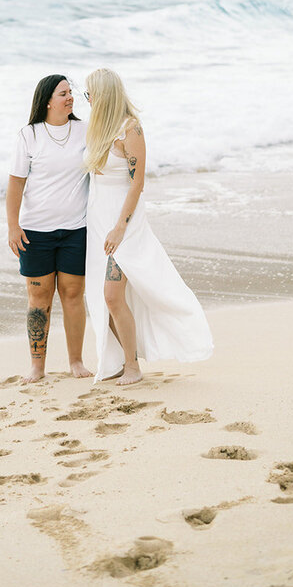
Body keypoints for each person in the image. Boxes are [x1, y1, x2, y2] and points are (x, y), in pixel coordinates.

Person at [83, 68, 213, 386]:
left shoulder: (131, 130)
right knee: (102, 298)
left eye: (90, 94)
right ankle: (117, 359)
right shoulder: (98, 128)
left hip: (124, 226)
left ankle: (133, 366)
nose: (87, 101)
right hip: (99, 224)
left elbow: (137, 183)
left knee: (113, 296)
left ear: (104, 95)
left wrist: (120, 228)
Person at [7, 74, 93, 384]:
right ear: (47, 100)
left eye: (71, 93)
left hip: (75, 229)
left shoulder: (85, 131)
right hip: (35, 232)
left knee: (73, 295)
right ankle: (37, 366)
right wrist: (13, 227)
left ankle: (76, 361)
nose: (70, 98)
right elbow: (16, 182)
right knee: (38, 300)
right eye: (63, 94)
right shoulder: (29, 135)